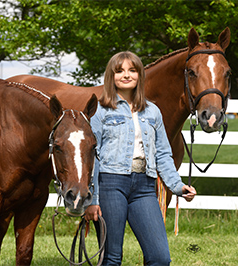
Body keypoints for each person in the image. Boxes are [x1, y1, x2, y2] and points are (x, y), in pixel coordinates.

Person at [85, 51, 197, 266]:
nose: (126, 75)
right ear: (111, 76)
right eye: (119, 71)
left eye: (132, 70)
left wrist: (177, 186)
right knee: (111, 258)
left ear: (140, 75)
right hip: (110, 184)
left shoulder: (153, 111)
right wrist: (93, 200)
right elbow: (92, 156)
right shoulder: (100, 111)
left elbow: (163, 153)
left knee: (160, 258)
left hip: (144, 187)